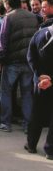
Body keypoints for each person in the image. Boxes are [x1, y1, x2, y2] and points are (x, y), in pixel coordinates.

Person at [0, 0, 39, 133]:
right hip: (28, 62)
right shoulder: (32, 16)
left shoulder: (8, 17)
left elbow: (3, 41)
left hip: (12, 62)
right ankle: (27, 125)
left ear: (7, 4)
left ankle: (5, 123)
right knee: (26, 93)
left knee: (5, 92)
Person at [26, 23, 53, 160]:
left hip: (41, 82)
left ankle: (31, 144)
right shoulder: (40, 34)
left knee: (37, 112)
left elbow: (30, 57)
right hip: (44, 81)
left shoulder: (39, 34)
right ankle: (50, 149)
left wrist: (39, 76)